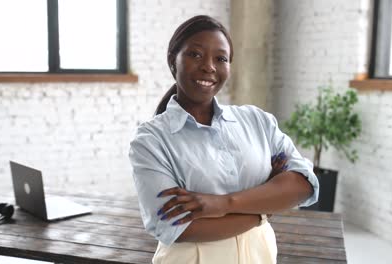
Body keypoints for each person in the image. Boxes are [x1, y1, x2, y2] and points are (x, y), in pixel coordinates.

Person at [129, 15, 319, 264]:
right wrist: (264, 207)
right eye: (195, 54)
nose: (209, 66)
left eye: (221, 59)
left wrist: (222, 204)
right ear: (173, 61)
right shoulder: (151, 140)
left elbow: (303, 184)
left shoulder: (257, 122)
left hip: (259, 255)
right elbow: (177, 227)